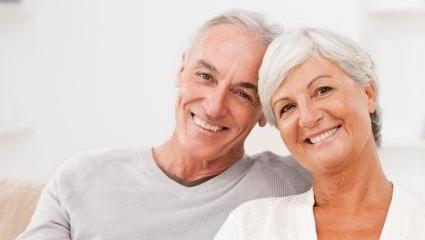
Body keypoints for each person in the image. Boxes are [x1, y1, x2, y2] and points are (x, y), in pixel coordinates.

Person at [17, 10, 312, 240]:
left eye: (242, 93)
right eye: (205, 76)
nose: (213, 107)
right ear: (181, 70)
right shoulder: (81, 177)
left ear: (265, 109)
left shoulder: (293, 185)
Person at [214, 28, 425, 240]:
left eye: (322, 90)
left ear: (369, 94)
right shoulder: (250, 227)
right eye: (287, 107)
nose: (307, 118)